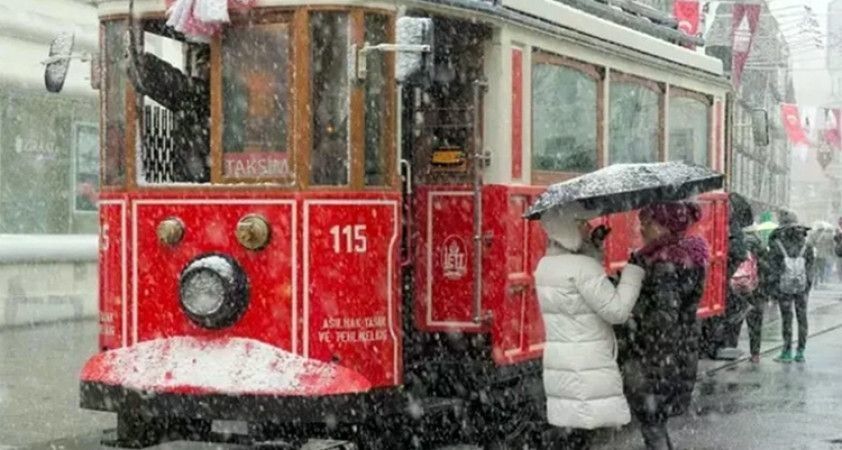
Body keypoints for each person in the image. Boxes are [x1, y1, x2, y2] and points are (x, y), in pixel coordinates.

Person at [534, 206, 645, 449]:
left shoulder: (545, 266)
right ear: (567, 228)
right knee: (589, 434)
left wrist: (592, 249)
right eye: (581, 223)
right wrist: (633, 272)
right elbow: (617, 312)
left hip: (561, 362)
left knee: (573, 432)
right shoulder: (584, 269)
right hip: (588, 365)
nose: (588, 227)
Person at [619, 201, 709, 450]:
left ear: (663, 226)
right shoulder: (685, 257)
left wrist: (631, 318)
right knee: (656, 426)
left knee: (653, 426)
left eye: (647, 222)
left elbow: (663, 318)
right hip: (675, 356)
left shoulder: (663, 263)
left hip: (657, 360)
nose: (641, 228)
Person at [127, 43, 211, 183]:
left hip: (197, 177)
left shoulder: (201, 95)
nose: (202, 69)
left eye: (205, 64)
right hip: (196, 173)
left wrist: (144, 63)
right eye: (200, 65)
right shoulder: (202, 96)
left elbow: (176, 85)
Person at [766, 210, 814, 363]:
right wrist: (807, 285)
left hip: (784, 286)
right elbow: (810, 267)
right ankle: (800, 351)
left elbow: (773, 268)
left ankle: (786, 351)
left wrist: (773, 287)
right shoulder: (807, 244)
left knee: (787, 318)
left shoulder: (777, 243)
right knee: (802, 317)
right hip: (801, 287)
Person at [726, 230, 768, 363]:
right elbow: (767, 271)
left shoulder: (737, 247)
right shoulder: (761, 251)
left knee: (735, 322)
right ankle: (755, 354)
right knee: (755, 326)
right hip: (756, 292)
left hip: (737, 291)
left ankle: (731, 349)